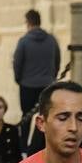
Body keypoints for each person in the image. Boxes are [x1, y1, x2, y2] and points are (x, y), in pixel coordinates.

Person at [13, 9, 61, 145]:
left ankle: (23, 144)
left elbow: (17, 62)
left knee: (26, 116)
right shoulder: (52, 40)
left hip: (27, 84)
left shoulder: (23, 41)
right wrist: (52, 76)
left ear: (28, 22)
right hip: (47, 84)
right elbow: (57, 60)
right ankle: (41, 143)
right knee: (45, 115)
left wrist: (19, 79)